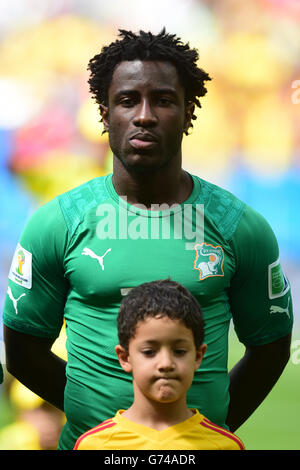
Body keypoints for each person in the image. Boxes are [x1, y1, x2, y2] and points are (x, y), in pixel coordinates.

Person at [3, 29, 293, 450]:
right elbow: (24, 350)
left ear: (188, 112)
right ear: (105, 113)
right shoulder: (57, 224)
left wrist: (206, 432)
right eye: (127, 100)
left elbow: (270, 349)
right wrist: (95, 424)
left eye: (162, 100)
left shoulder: (239, 227)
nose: (144, 116)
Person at [74, 279, 245, 450]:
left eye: (179, 351)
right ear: (125, 358)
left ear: (198, 357)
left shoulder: (224, 446)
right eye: (149, 352)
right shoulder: (94, 445)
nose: (166, 364)